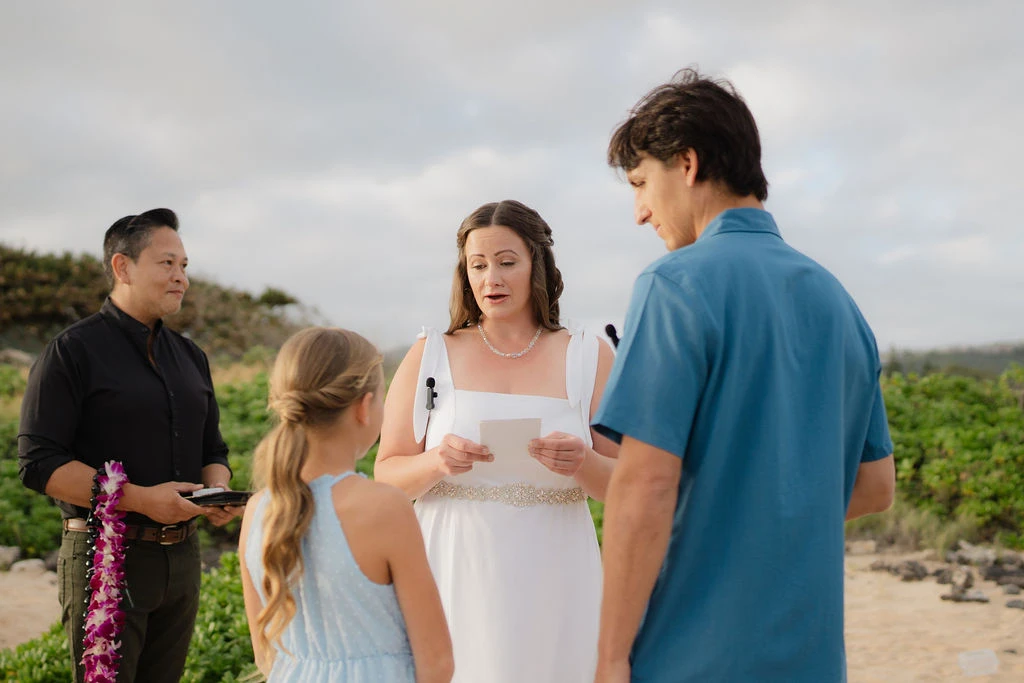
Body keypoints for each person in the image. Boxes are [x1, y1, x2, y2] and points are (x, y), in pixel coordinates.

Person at [591, 69, 897, 683]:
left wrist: (610, 657)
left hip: (693, 654)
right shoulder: (839, 302)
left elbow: (645, 487)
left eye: (641, 183)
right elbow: (874, 487)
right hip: (812, 658)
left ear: (688, 163)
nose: (639, 212)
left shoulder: (674, 285)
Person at [375, 199, 619, 683]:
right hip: (452, 562)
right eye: (478, 265)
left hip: (556, 567)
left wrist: (583, 462)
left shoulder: (590, 354)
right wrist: (437, 463)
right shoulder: (431, 353)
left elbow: (623, 485)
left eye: (507, 263)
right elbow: (386, 475)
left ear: (538, 265)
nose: (492, 279)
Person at [18, 208, 242, 683]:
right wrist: (140, 500)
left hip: (183, 560)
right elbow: (38, 464)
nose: (181, 278)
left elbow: (213, 449)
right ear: (122, 267)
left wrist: (216, 492)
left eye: (184, 266)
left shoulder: (191, 357)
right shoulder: (70, 352)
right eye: (167, 264)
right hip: (106, 557)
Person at [238, 327, 453, 682]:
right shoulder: (385, 508)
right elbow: (437, 663)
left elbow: (265, 654)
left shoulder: (259, 509)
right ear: (365, 408)